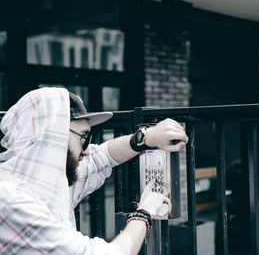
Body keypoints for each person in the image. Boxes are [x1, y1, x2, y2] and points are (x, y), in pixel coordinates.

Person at [0, 87, 188, 254]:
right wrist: (144, 213)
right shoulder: (11, 201)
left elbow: (102, 157)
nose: (87, 148)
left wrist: (146, 138)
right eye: (83, 137)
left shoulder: (45, 182)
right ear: (51, 137)